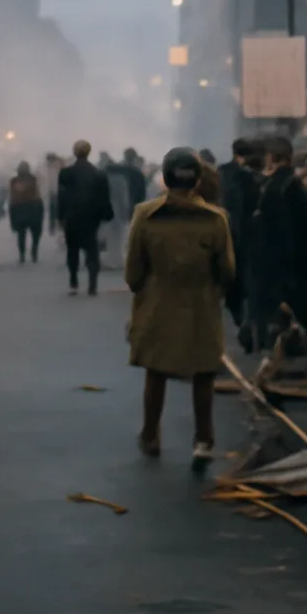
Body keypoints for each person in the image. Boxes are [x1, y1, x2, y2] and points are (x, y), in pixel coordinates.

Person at [125, 148, 235, 468]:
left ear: (165, 177)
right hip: (201, 305)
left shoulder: (145, 216)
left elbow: (133, 274)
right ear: (198, 180)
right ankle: (203, 439)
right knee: (203, 374)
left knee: (156, 372)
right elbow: (227, 271)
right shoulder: (216, 219)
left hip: (158, 303)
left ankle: (150, 435)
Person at [246, 136, 307, 353]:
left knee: (280, 335)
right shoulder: (303, 189)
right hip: (301, 272)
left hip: (277, 273)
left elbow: (265, 236)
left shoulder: (273, 191)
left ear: (271, 159)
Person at [58, 140, 114, 296]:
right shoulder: (98, 174)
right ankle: (92, 284)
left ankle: (74, 281)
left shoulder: (66, 173)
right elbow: (104, 198)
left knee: (72, 249)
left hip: (72, 216)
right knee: (92, 248)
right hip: (91, 217)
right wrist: (107, 215)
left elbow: (62, 197)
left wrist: (60, 216)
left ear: (75, 153)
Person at [218, 138, 263, 327]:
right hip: (245, 233)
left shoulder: (221, 172)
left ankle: (235, 310)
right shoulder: (250, 177)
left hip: (224, 229)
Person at [8, 161, 44, 263]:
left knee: (21, 234)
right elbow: (38, 195)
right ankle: (34, 250)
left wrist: (12, 214)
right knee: (35, 233)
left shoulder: (14, 181)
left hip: (19, 208)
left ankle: (22, 255)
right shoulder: (33, 179)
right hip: (33, 208)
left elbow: (12, 198)